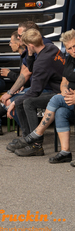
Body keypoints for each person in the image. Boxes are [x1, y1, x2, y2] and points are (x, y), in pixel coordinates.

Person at [12, 29, 75, 161]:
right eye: (69, 48)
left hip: (61, 95)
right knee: (60, 112)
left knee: (28, 101)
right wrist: (64, 90)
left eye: (74, 46)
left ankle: (35, 139)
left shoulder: (43, 60)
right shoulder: (62, 53)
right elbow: (64, 80)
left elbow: (35, 90)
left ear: (30, 45)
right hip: (66, 96)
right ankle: (65, 153)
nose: (72, 50)